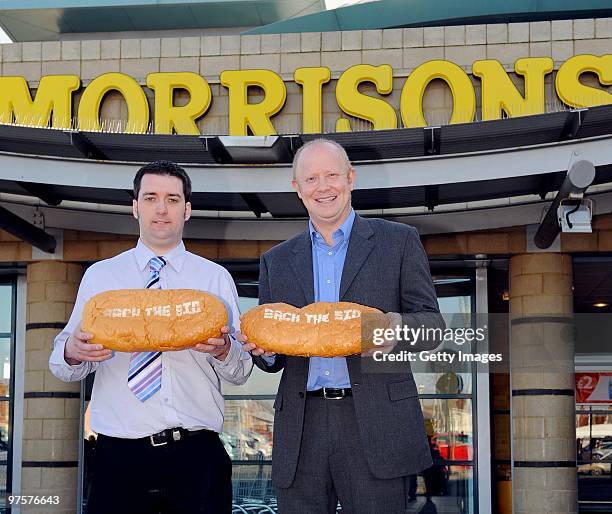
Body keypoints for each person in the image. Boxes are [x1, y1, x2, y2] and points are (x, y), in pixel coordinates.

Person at [241, 139, 444, 513]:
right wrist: (265, 353)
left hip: (376, 421)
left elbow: (433, 327)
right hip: (302, 426)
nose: (323, 186)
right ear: (297, 188)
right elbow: (273, 356)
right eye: (312, 178)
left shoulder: (398, 241)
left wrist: (393, 328)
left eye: (332, 174)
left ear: (350, 179)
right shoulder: (277, 261)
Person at [49, 160, 252, 514]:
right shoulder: (101, 278)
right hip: (119, 459)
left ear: (187, 210)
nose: (161, 209)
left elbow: (241, 371)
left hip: (197, 457)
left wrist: (224, 351)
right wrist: (72, 350)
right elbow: (63, 366)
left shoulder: (214, 280)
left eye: (173, 199)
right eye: (151, 197)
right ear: (135, 206)